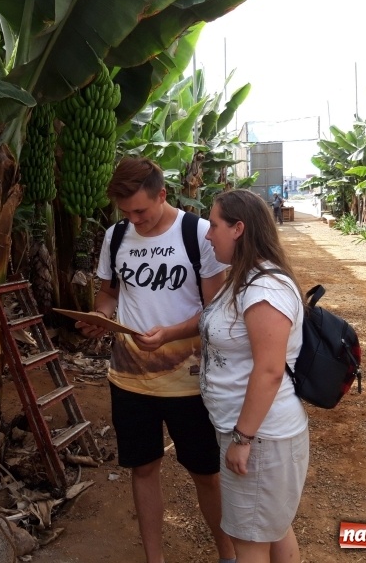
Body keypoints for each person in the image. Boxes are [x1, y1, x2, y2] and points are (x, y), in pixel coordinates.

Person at [76, 157, 236, 563]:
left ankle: (229, 554)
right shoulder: (115, 237)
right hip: (129, 378)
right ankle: (154, 559)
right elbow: (110, 294)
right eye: (126, 212)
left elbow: (213, 312)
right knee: (143, 468)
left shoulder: (198, 234)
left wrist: (169, 334)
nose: (134, 219)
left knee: (206, 473)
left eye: (141, 211)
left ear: (162, 195)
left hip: (189, 380)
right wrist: (103, 318)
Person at [199, 188, 309, 563]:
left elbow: (269, 370)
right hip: (256, 436)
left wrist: (243, 438)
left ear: (238, 228)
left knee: (250, 543)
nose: (208, 234)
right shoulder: (243, 279)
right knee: (273, 532)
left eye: (214, 225)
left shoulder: (264, 288)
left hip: (260, 438)